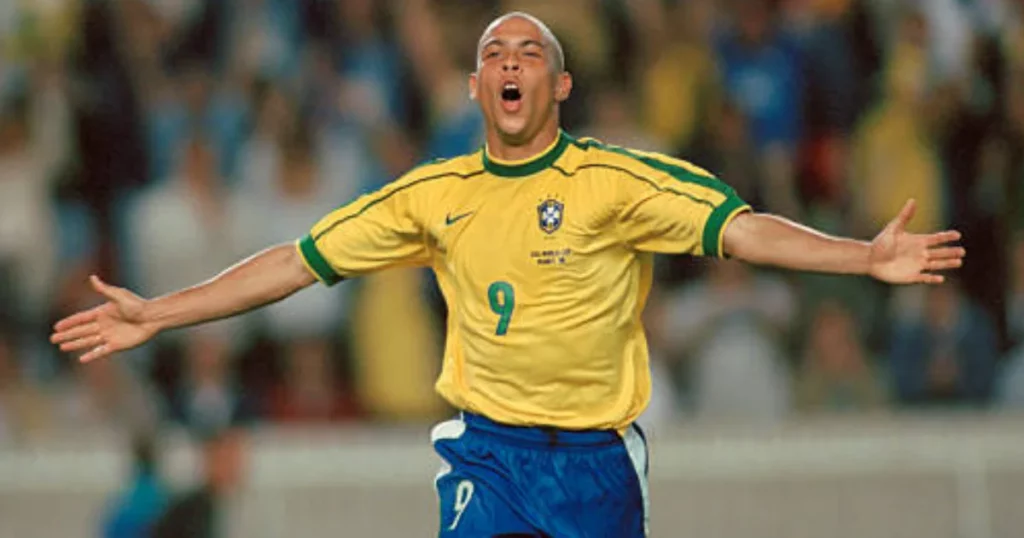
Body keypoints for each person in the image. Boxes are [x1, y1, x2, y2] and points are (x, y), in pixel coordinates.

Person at [51, 12, 965, 538]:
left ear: (560, 88)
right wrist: (159, 314)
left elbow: (744, 230)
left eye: (531, 52)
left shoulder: (617, 181)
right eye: (494, 54)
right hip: (487, 456)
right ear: (477, 90)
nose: (511, 63)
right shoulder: (433, 196)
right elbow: (296, 261)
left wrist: (863, 255)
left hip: (601, 462)